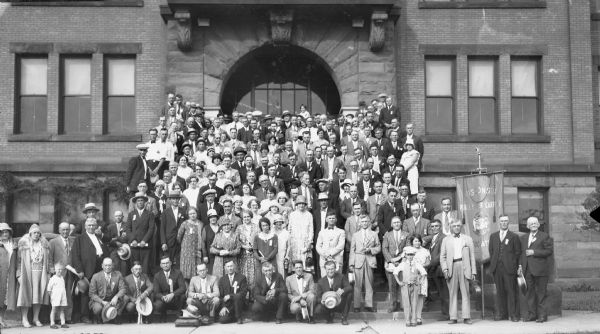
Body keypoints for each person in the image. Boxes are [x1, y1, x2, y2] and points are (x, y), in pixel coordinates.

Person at [71, 218, 108, 324]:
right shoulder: (80, 238)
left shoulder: (98, 237)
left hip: (99, 267)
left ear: (96, 226)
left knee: (98, 291)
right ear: (85, 227)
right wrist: (80, 270)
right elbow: (75, 256)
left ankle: (96, 315)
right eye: (89, 225)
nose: (91, 227)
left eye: (93, 225)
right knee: (85, 292)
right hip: (87, 269)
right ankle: (84, 316)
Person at [518, 216, 553, 323]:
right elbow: (521, 254)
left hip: (540, 270)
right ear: (528, 226)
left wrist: (534, 252)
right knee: (529, 293)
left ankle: (542, 316)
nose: (533, 225)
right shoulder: (523, 238)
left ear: (538, 225)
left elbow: (549, 251)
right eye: (531, 223)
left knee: (541, 293)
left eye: (535, 223)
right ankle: (532, 315)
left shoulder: (544, 236)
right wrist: (520, 266)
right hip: (527, 270)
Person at [440, 221, 477, 325]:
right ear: (451, 227)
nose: (456, 228)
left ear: (461, 227)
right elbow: (442, 257)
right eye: (454, 226)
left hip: (465, 266)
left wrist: (473, 271)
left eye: (458, 226)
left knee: (466, 293)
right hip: (452, 266)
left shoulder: (468, 239)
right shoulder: (446, 240)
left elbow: (472, 256)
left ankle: (466, 317)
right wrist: (445, 269)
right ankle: (453, 317)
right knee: (452, 293)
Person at [488, 214, 521, 322]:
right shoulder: (493, 236)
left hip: (509, 268)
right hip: (497, 268)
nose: (504, 223)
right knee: (500, 292)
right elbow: (491, 251)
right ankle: (502, 314)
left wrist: (516, 266)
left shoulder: (514, 236)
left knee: (511, 292)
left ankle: (513, 315)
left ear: (508, 222)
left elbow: (517, 253)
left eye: (506, 221)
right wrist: (494, 264)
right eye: (502, 221)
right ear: (499, 222)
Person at [17, 224, 50, 328]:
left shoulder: (44, 245)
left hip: (41, 273)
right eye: (34, 233)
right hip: (27, 273)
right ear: (30, 234)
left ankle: (36, 318)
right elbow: (18, 262)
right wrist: (19, 275)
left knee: (38, 296)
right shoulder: (24, 245)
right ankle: (24, 319)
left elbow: (48, 261)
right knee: (26, 295)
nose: (36, 234)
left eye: (38, 233)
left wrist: (48, 273)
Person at [349, 215, 381, 312]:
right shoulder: (355, 235)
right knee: (357, 284)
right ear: (359, 223)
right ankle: (356, 306)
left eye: (366, 221)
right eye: (362, 221)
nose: (364, 223)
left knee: (369, 283)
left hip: (369, 260)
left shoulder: (374, 234)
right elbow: (352, 250)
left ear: (369, 222)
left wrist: (370, 250)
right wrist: (351, 264)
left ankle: (369, 305)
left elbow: (378, 247)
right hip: (358, 260)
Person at [47, 222, 75, 323]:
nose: (65, 231)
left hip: (71, 272)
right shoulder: (53, 242)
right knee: (58, 295)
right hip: (58, 273)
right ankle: (58, 318)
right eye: (63, 229)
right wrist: (52, 270)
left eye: (67, 229)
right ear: (59, 230)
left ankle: (68, 317)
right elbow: (49, 258)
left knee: (69, 295)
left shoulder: (73, 240)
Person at [394, 246, 427, 327]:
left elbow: (424, 273)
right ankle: (407, 320)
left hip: (415, 286)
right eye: (408, 255)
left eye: (412, 255)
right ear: (405, 255)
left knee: (414, 303)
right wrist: (399, 282)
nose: (410, 256)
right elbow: (395, 272)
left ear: (414, 255)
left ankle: (413, 320)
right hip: (405, 285)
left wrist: (420, 282)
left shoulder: (417, 264)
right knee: (406, 303)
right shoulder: (402, 264)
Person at [381, 216, 409, 312]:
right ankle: (392, 305)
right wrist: (391, 260)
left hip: (403, 261)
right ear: (391, 224)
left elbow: (407, 248)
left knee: (402, 283)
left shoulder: (406, 234)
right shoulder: (387, 235)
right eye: (394, 222)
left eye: (398, 222)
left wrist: (400, 258)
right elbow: (384, 249)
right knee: (391, 285)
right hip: (391, 262)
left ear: (401, 223)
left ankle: (402, 304)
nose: (396, 224)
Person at [88, 258, 127, 324]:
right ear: (102, 266)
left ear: (113, 266)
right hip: (100, 300)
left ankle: (115, 316)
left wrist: (116, 297)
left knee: (125, 298)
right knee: (98, 308)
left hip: (112, 300)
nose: (107, 267)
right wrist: (102, 302)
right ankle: (99, 316)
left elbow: (123, 288)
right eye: (105, 265)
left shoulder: (118, 275)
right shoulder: (96, 276)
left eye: (109, 265)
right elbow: (92, 294)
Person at [314, 261, 352, 325]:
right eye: (328, 269)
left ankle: (344, 318)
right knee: (317, 310)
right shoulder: (321, 281)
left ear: (335, 269)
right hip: (327, 304)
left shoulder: (341, 277)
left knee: (349, 294)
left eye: (332, 269)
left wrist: (342, 290)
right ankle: (328, 317)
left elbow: (349, 287)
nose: (330, 271)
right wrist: (321, 300)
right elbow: (318, 297)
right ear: (325, 269)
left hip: (339, 303)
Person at [127, 192, 156, 274]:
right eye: (138, 201)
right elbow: (128, 229)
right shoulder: (131, 214)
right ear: (136, 203)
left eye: (142, 200)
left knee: (145, 266)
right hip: (134, 245)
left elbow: (151, 229)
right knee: (134, 265)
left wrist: (144, 240)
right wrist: (133, 240)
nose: (140, 202)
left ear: (145, 202)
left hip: (145, 245)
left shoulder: (150, 214)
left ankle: (144, 284)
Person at [426, 219, 449, 320]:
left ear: (440, 227)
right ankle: (445, 313)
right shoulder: (434, 237)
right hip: (434, 269)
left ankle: (447, 314)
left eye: (436, 226)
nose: (434, 228)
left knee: (444, 293)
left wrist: (428, 264)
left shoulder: (443, 238)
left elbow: (441, 255)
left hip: (440, 269)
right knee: (441, 293)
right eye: (432, 226)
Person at [405, 235, 430, 325]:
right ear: (412, 242)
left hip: (422, 275)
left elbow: (428, 262)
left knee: (420, 296)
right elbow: (404, 262)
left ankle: (418, 317)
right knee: (411, 296)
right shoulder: (408, 250)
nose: (417, 243)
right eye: (415, 241)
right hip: (411, 276)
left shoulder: (425, 251)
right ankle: (411, 317)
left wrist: (420, 267)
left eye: (419, 241)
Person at [153, 256, 186, 322]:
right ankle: (163, 313)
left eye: (167, 263)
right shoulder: (157, 276)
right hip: (164, 299)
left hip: (175, 298)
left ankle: (179, 314)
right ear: (160, 265)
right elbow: (156, 292)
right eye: (163, 263)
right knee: (158, 305)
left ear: (170, 263)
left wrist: (173, 294)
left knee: (183, 297)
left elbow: (183, 288)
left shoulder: (178, 273)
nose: (165, 265)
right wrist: (163, 297)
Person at [160, 190, 187, 268]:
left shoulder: (183, 211)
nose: (175, 200)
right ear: (170, 200)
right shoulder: (165, 212)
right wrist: (163, 242)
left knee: (179, 260)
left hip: (180, 240)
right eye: (173, 199)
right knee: (169, 261)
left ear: (179, 200)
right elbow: (162, 228)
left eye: (177, 199)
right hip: (169, 240)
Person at [177, 207, 204, 280]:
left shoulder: (200, 224)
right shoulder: (185, 223)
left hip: (196, 249)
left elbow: (203, 236)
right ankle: (186, 285)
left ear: (197, 214)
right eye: (191, 214)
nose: (192, 215)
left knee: (196, 266)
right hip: (186, 249)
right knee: (186, 267)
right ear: (188, 215)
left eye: (194, 213)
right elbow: (179, 236)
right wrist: (184, 245)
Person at [287, 195, 314, 267]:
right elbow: (289, 229)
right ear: (296, 205)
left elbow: (311, 230)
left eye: (303, 203)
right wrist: (290, 242)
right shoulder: (292, 215)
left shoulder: (309, 215)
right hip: (295, 242)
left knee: (306, 262)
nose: (301, 205)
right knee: (296, 262)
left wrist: (309, 242)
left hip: (305, 242)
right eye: (299, 203)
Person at [0, 223, 18, 328]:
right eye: (2, 232)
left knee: (5, 297)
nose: (4, 234)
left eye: (6, 231)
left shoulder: (13, 244)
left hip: (10, 274)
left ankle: (1, 319)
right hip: (1, 273)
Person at [47, 263, 69, 329]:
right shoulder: (53, 279)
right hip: (55, 297)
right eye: (58, 269)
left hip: (62, 297)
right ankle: (52, 323)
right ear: (55, 270)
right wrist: (52, 297)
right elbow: (49, 289)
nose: (60, 271)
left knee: (62, 310)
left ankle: (63, 323)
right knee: (54, 310)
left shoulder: (62, 278)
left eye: (61, 269)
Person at [201, 209, 220, 274]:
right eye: (211, 217)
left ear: (217, 218)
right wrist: (205, 255)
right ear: (209, 219)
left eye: (214, 217)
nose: (213, 219)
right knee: (210, 272)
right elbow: (203, 242)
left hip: (220, 255)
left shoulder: (221, 227)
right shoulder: (206, 228)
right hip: (210, 256)